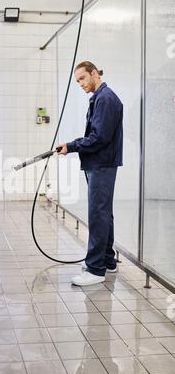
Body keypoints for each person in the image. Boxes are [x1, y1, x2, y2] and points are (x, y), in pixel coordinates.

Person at [58, 61, 123, 286]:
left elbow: (99, 137)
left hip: (102, 165)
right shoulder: (100, 97)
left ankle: (96, 270)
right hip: (99, 164)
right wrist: (72, 145)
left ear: (94, 73)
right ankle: (107, 260)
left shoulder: (105, 99)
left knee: (98, 214)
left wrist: (72, 145)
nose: (81, 84)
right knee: (104, 213)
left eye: (83, 79)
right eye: (78, 81)